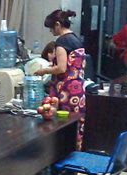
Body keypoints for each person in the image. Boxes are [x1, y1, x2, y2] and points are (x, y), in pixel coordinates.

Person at [34, 9, 86, 151]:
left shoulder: (62, 42)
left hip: (66, 90)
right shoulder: (76, 39)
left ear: (57, 24)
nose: (51, 31)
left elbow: (61, 68)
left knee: (62, 124)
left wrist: (44, 70)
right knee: (74, 123)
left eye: (51, 28)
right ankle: (74, 153)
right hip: (78, 88)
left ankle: (60, 156)